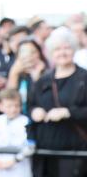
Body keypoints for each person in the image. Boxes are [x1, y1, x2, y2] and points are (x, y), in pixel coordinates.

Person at [28, 29, 87, 175]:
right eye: (57, 49)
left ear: (73, 50)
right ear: (51, 53)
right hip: (45, 152)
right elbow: (31, 104)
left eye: (66, 48)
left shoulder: (84, 78)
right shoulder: (43, 80)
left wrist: (68, 112)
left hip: (75, 152)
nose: (62, 53)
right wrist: (34, 112)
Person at [0, 89, 32, 177]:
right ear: (0, 106)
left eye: (17, 106)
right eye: (9, 106)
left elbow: (30, 146)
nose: (13, 109)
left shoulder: (25, 121)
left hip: (19, 168)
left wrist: (14, 160)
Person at [6, 38, 46, 116]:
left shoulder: (47, 74)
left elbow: (44, 100)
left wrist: (37, 78)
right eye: (23, 52)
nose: (29, 56)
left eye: (33, 52)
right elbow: (9, 99)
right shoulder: (17, 73)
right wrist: (13, 74)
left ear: (39, 54)